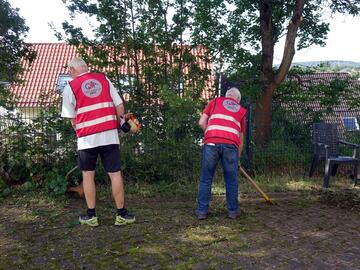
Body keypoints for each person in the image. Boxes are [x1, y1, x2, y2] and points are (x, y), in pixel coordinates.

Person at [61, 57, 135, 227]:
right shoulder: (103, 79)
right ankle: (122, 214)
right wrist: (122, 123)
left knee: (88, 176)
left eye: (69, 70)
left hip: (87, 139)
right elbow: (119, 106)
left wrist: (79, 131)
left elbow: (72, 118)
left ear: (73, 70)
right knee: (115, 174)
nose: (69, 73)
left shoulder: (70, 87)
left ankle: (92, 216)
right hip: (109, 135)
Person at [196, 87, 247, 220]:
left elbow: (201, 122)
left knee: (206, 179)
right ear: (237, 99)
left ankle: (202, 212)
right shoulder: (241, 110)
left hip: (211, 143)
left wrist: (210, 134)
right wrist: (238, 158)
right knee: (231, 180)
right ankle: (233, 212)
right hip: (231, 146)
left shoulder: (215, 101)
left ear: (226, 96)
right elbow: (240, 140)